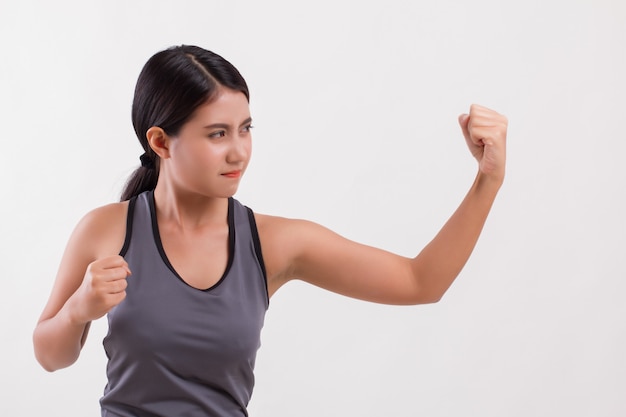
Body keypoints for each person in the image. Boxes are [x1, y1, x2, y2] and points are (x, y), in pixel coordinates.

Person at [33, 45, 508, 416]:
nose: (239, 151)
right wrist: (79, 309)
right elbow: (49, 355)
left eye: (245, 128)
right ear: (160, 141)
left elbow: (421, 282)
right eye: (217, 134)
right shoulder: (105, 230)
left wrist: (488, 179)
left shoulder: (275, 244)